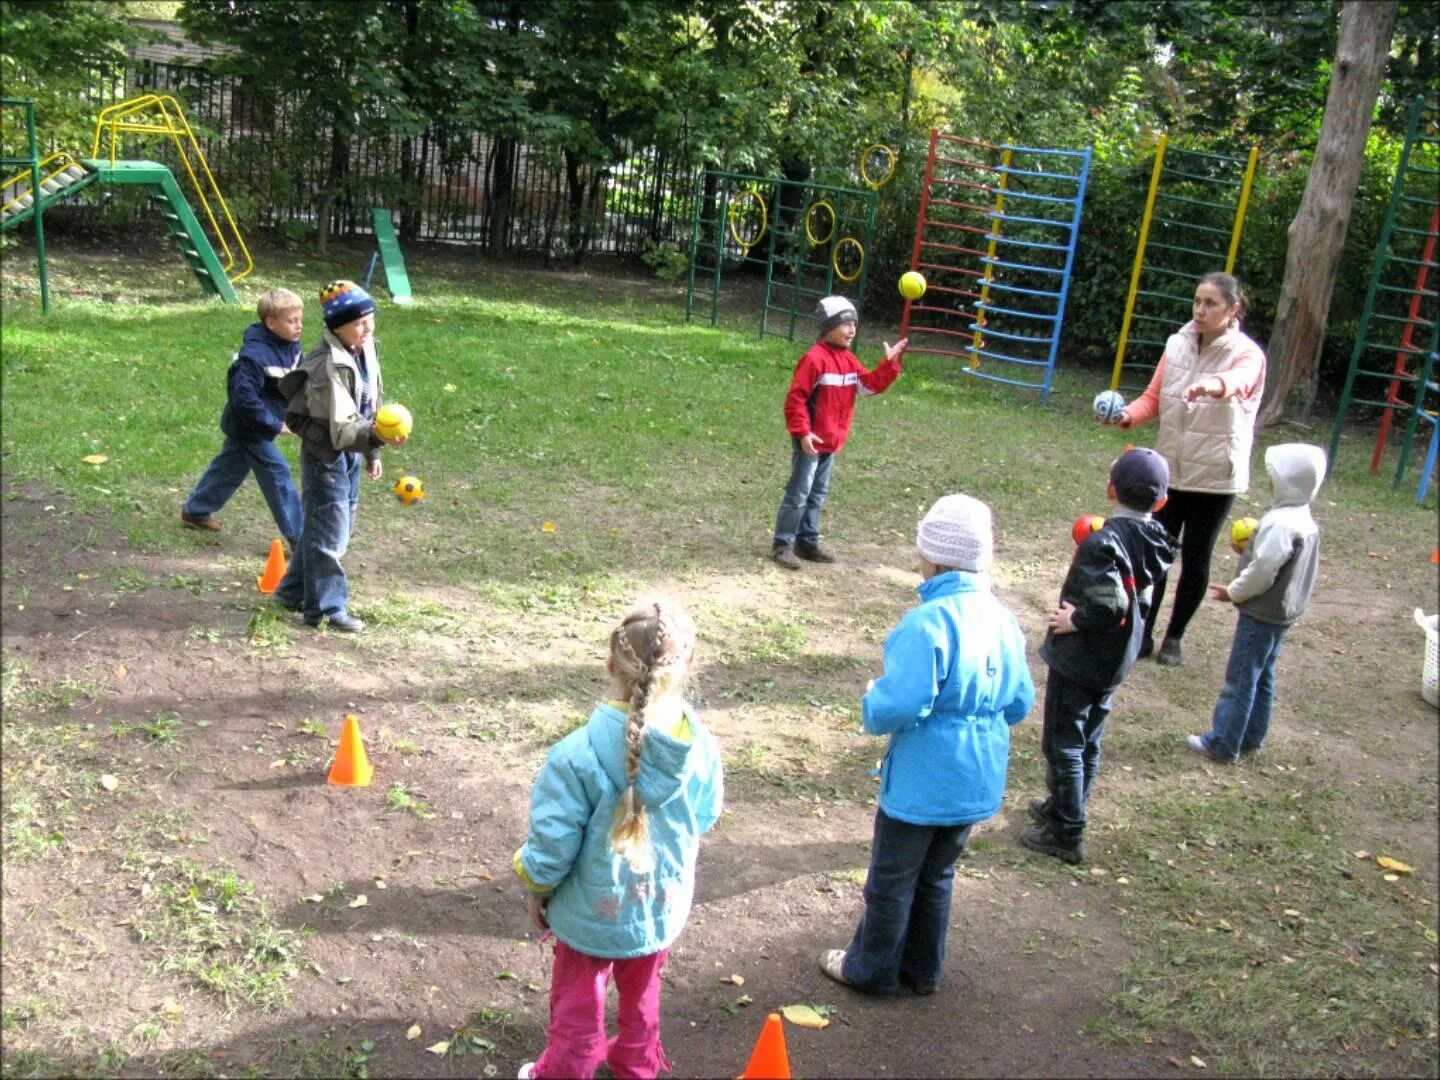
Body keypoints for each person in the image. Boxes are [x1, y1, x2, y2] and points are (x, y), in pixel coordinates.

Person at [818, 494, 1034, 995]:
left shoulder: (927, 623)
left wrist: (872, 700)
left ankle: (869, 970)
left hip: (922, 781)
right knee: (938, 873)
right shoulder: (1003, 619)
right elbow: (1020, 702)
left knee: (890, 879)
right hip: (976, 776)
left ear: (933, 556)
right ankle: (923, 970)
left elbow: (900, 704)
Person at [513, 597, 723, 1080]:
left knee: (577, 1006)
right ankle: (634, 1067)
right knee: (643, 995)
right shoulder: (700, 747)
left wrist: (537, 888)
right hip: (658, 909)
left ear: (610, 664)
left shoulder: (575, 755)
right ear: (687, 666)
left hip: (587, 916)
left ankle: (566, 1072)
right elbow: (705, 814)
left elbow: (552, 844)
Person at [1021, 449, 1176, 865]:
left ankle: (1067, 831)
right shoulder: (1158, 539)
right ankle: (1067, 806)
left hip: (1084, 658)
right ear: (1161, 502)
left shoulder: (1102, 542)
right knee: (1089, 737)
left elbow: (1112, 605)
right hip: (1115, 659)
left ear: (1110, 489)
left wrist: (1075, 620)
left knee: (1065, 742)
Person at [1112, 272, 1265, 667]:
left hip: (1216, 476)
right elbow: (1152, 398)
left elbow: (1240, 381)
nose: (1200, 309)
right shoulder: (1176, 345)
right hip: (1169, 472)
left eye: (1211, 303)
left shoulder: (1248, 354)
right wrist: (1126, 416)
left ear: (1232, 310)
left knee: (1196, 558)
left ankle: (1174, 638)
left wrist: (1211, 386)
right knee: (1156, 555)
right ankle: (1143, 634)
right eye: (1197, 301)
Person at [273, 281, 402, 634]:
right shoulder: (326, 367)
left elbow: (370, 405)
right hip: (325, 456)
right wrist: (376, 437)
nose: (368, 328)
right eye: (358, 323)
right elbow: (341, 428)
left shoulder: (364, 349)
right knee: (331, 535)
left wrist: (373, 449)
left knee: (323, 526)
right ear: (336, 326)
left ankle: (290, 592)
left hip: (351, 453)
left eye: (370, 319)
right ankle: (325, 610)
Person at [1187, 444, 1326, 763]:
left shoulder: (1280, 523)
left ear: (1286, 482)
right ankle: (1252, 735)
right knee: (1263, 673)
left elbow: (1263, 571)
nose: (1269, 482)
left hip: (1262, 614)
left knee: (1241, 676)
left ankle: (1223, 742)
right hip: (1283, 614)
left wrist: (1234, 591)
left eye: (1273, 477)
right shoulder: (1303, 518)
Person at [772, 295, 907, 570]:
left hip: (831, 442)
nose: (852, 330)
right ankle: (782, 544)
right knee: (799, 492)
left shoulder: (848, 360)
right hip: (811, 440)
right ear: (828, 326)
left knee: (817, 493)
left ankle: (806, 541)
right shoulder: (814, 359)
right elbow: (795, 399)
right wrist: (803, 432)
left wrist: (889, 364)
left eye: (854, 324)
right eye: (846, 324)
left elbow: (868, 386)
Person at [179, 288, 305, 547]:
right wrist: (274, 425)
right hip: (249, 425)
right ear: (271, 323)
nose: (299, 326)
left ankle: (195, 510)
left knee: (231, 465)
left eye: (300, 319)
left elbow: (294, 379)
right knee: (277, 470)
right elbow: (243, 401)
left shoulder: (290, 345)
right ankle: (299, 538)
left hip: (263, 420)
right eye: (291, 321)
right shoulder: (253, 358)